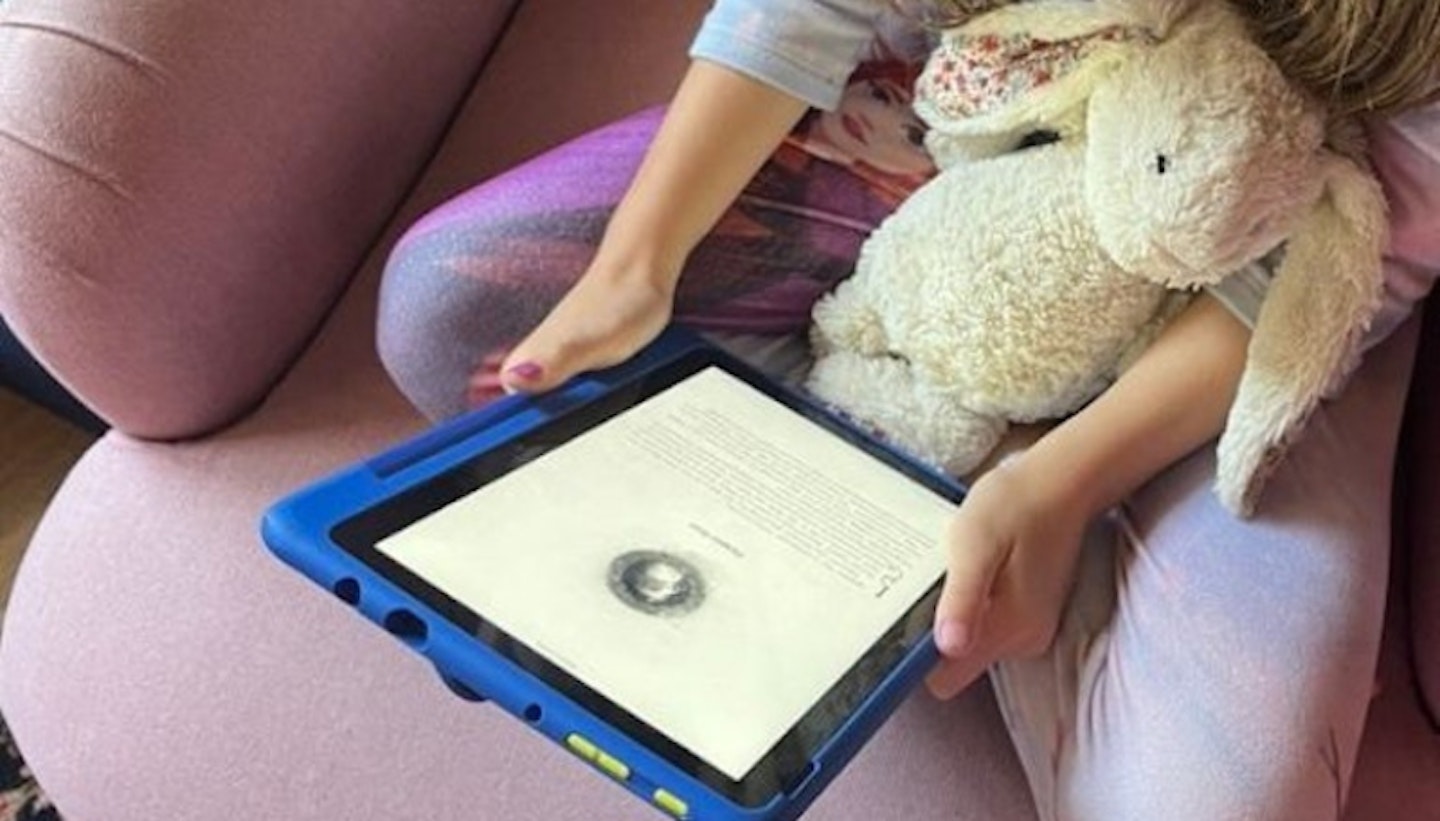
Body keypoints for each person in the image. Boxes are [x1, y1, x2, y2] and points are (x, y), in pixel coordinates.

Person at [375, 0, 1440, 817]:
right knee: (453, 309)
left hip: (1276, 277)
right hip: (951, 124)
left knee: (1227, 798)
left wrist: (1064, 477)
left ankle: (980, 493)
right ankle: (932, 440)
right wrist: (632, 266)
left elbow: (1372, 237)